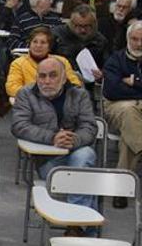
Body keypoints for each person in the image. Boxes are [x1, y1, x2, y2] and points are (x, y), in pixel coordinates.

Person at [11, 58, 98, 235]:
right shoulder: (26, 94)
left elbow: (90, 127)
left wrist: (74, 140)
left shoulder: (79, 94)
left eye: (52, 75)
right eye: (42, 76)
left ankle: (75, 225)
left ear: (64, 77)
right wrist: (52, 138)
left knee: (85, 155)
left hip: (74, 152)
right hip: (47, 160)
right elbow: (19, 126)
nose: (47, 81)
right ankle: (84, 228)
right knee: (86, 178)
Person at [102, 22, 142, 205]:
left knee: (130, 132)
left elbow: (122, 87)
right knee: (129, 111)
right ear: (128, 39)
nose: (139, 44)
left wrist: (133, 82)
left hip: (134, 112)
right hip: (116, 105)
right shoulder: (115, 60)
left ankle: (121, 189)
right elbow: (112, 91)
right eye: (135, 39)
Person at [6, 27, 82, 97]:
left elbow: (75, 83)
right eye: (35, 42)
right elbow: (11, 88)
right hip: (30, 103)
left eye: (43, 42)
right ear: (29, 44)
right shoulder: (18, 63)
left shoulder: (62, 61)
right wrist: (37, 94)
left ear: (49, 47)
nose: (38, 46)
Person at [52, 4, 109, 81]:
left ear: (94, 24)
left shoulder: (100, 41)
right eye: (78, 26)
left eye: (87, 26)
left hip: (89, 84)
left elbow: (108, 67)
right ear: (71, 23)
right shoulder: (57, 35)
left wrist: (101, 74)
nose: (83, 30)